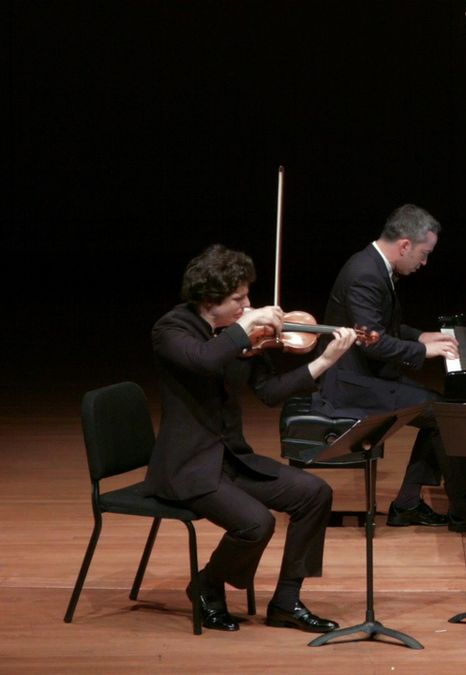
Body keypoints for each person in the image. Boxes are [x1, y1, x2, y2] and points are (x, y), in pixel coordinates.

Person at [146, 244, 357, 634]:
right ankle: (207, 585)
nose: (249, 305)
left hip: (231, 459)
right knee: (256, 524)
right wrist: (245, 327)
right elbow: (205, 360)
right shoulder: (171, 330)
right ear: (210, 301)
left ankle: (287, 601)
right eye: (238, 298)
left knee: (315, 494)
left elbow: (270, 392)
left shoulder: (240, 333)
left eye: (247, 296)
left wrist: (323, 362)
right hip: (187, 466)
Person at [311, 204, 466, 532]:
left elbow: (384, 327)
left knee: (438, 410)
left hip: (364, 377)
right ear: (404, 246)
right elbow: (372, 341)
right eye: (424, 254)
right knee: (444, 414)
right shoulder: (366, 274)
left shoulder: (375, 266)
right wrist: (421, 349)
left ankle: (409, 503)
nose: (424, 263)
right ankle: (464, 507)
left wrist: (419, 335)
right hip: (350, 385)